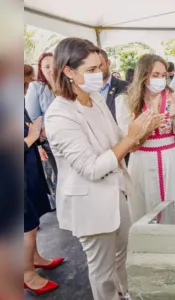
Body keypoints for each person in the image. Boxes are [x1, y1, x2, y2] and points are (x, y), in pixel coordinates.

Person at [45, 37, 164, 300]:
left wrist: (141, 131)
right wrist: (131, 138)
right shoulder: (59, 114)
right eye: (91, 70)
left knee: (122, 254)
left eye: (100, 67)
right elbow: (91, 168)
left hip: (116, 191)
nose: (99, 74)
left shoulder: (96, 99)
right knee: (102, 269)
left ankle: (126, 294)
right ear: (68, 71)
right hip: (90, 203)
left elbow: (116, 140)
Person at [116, 54, 175, 223]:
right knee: (143, 208)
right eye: (155, 75)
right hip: (142, 160)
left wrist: (173, 117)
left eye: (164, 75)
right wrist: (148, 129)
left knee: (174, 206)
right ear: (143, 76)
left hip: (172, 158)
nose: (161, 79)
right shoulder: (126, 101)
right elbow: (131, 147)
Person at [23, 110, 63, 295]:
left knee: (34, 216)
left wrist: (37, 138)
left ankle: (34, 258)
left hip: (27, 165)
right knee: (26, 225)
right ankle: (26, 274)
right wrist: (30, 139)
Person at [25, 52, 58, 209]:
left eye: (54, 65)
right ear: (40, 69)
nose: (51, 69)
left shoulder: (65, 84)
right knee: (60, 175)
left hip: (69, 138)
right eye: (46, 66)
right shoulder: (36, 87)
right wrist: (38, 145)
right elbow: (32, 119)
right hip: (49, 142)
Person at [99, 49, 129, 121]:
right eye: (92, 68)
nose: (97, 70)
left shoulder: (125, 87)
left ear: (108, 63)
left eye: (100, 65)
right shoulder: (88, 89)